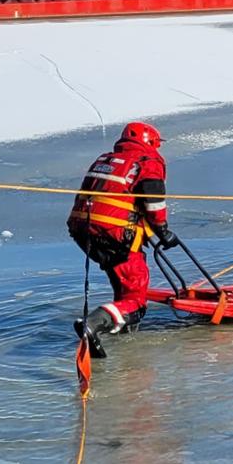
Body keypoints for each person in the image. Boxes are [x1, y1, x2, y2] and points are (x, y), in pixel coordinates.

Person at [67, 121, 180, 357]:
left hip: (84, 230)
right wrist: (162, 231)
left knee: (122, 283)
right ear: (151, 142)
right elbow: (153, 200)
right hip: (115, 233)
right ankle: (94, 324)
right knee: (136, 298)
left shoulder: (106, 160)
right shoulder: (148, 161)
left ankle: (123, 336)